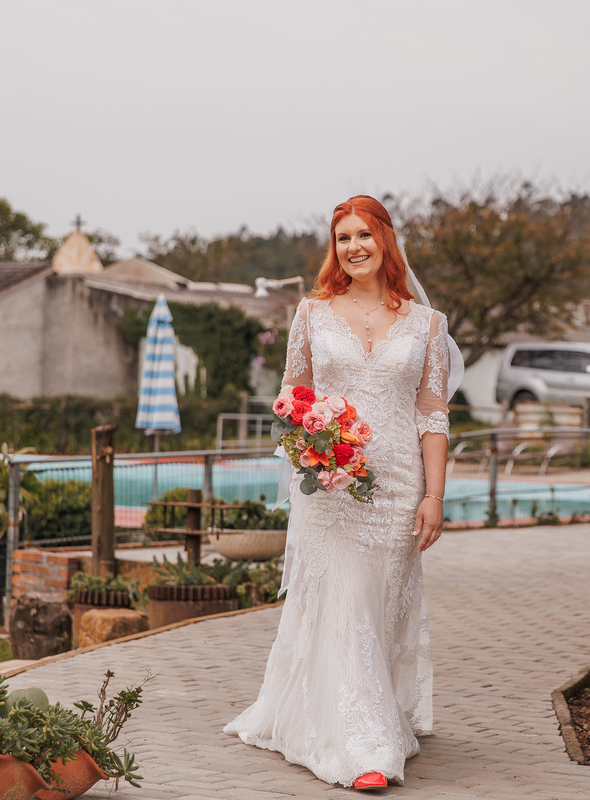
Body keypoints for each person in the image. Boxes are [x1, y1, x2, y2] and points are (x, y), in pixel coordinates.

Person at [224, 195, 460, 790]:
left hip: (399, 484)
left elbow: (432, 414)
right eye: (342, 238)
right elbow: (291, 399)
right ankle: (365, 747)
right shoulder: (312, 314)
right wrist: (314, 451)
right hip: (332, 482)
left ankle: (376, 709)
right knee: (348, 596)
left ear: (386, 240)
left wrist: (434, 496)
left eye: (363, 235)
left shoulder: (428, 325)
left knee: (381, 600)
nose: (353, 247)